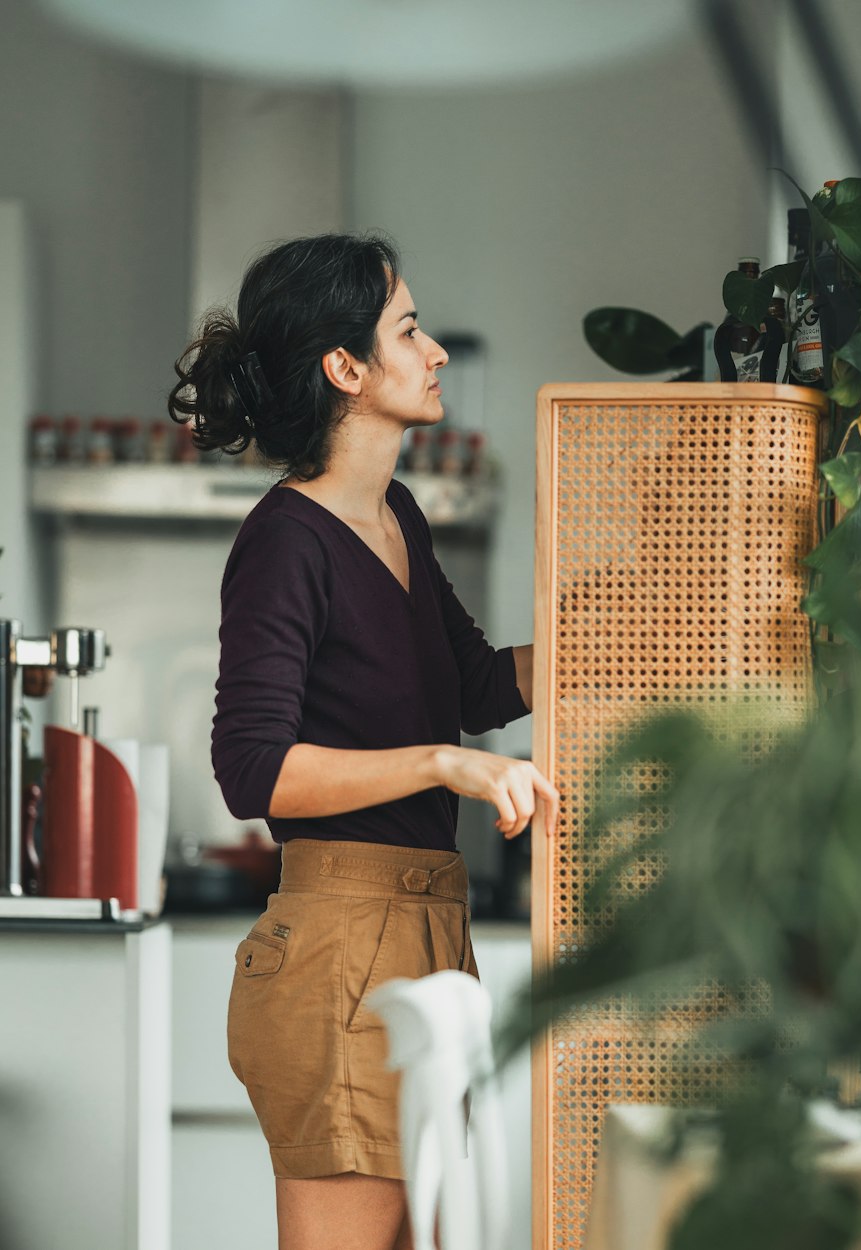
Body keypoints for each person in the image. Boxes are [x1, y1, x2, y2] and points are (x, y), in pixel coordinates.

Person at [168, 232, 559, 1250]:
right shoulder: (285, 540)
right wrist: (442, 764)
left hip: (425, 935)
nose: (432, 353)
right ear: (347, 368)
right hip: (341, 946)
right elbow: (252, 767)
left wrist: (613, 625)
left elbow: (472, 684)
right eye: (409, 329)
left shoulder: (395, 513)